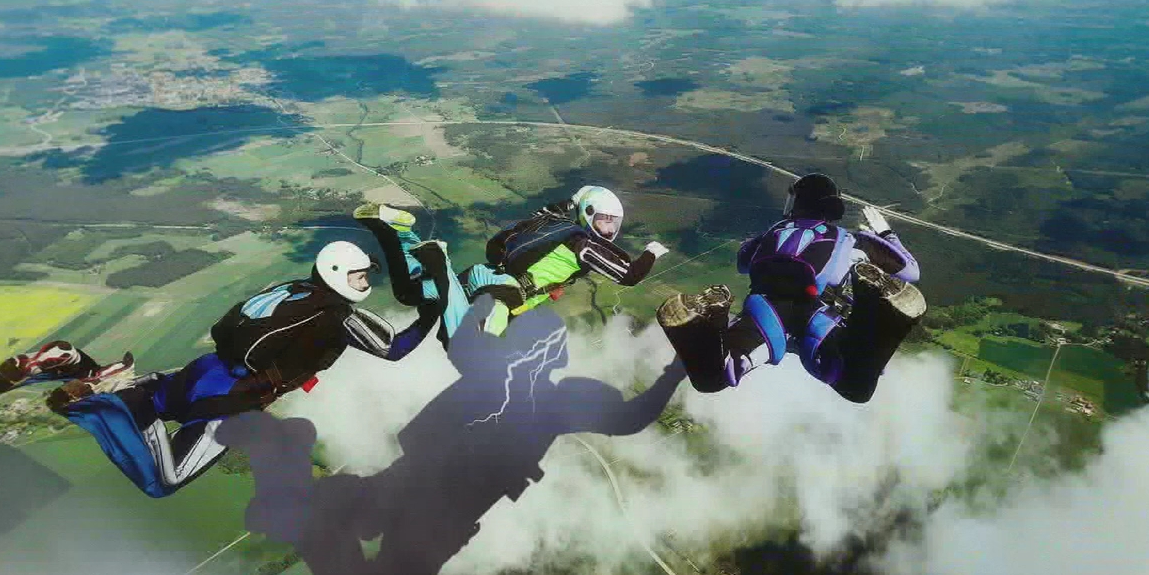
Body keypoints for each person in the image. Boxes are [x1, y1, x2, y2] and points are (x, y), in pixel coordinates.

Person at [0, 219, 447, 498]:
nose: (365, 283)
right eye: (361, 277)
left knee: (139, 402)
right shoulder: (339, 316)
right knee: (164, 479)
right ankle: (118, 394)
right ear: (339, 276)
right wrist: (434, 308)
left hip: (200, 373)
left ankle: (73, 364)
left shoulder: (293, 289)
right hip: (228, 404)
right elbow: (397, 348)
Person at [655, 173, 926, 403]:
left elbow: (743, 262)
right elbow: (911, 271)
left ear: (800, 202)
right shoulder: (847, 239)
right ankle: (879, 310)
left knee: (715, 376)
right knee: (854, 385)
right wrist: (885, 235)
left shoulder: (774, 231)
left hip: (765, 307)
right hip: (815, 312)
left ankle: (710, 315)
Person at [362, 186, 670, 341]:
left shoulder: (553, 222)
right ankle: (437, 258)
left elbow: (537, 218)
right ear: (588, 214)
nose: (608, 230)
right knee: (474, 350)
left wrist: (573, 201)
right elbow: (630, 276)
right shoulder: (584, 245)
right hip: (502, 298)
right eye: (603, 221)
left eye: (612, 223)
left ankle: (402, 231)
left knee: (409, 293)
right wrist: (652, 253)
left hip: (483, 275)